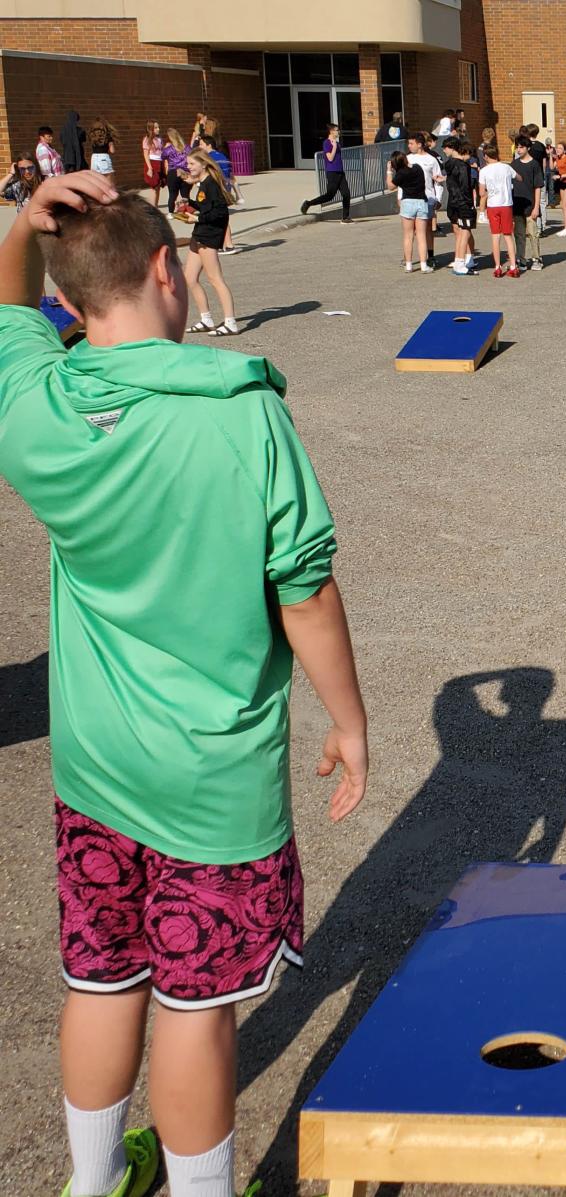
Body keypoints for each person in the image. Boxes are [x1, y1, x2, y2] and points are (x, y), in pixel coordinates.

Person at [0, 168, 368, 1197]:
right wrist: (348, 720)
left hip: (96, 768)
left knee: (101, 982)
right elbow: (305, 593)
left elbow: (3, 313)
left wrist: (21, 223)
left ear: (68, 302)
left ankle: (88, 1182)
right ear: (169, 269)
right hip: (213, 782)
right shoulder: (242, 415)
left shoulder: (37, 404)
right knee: (195, 1013)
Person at [183, 149, 239, 336]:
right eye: (188, 164)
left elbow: (220, 213)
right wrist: (189, 205)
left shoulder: (211, 184)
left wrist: (197, 219)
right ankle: (206, 319)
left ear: (204, 164)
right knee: (190, 278)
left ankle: (230, 322)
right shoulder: (203, 184)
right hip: (199, 233)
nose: (188, 168)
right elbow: (207, 207)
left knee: (215, 279)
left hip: (208, 235)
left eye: (191, 164)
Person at [386, 149, 433, 273]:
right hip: (421, 202)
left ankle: (408, 265)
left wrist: (389, 171)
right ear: (405, 159)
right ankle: (424, 265)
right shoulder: (417, 168)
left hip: (407, 203)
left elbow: (390, 186)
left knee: (408, 236)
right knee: (421, 235)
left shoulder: (400, 174)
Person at [478, 145, 520, 278]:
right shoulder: (506, 167)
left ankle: (497, 267)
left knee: (495, 236)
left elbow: (481, 192)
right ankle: (513, 266)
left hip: (492, 205)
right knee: (508, 235)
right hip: (506, 204)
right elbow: (519, 177)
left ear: (485, 156)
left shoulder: (484, 171)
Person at [300, 124, 352, 223]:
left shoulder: (337, 143)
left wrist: (336, 145)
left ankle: (345, 217)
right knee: (329, 195)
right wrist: (334, 146)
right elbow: (330, 158)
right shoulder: (327, 143)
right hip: (332, 172)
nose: (338, 132)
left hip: (340, 172)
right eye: (337, 130)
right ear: (331, 132)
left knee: (346, 194)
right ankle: (308, 203)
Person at [406, 133, 443, 265]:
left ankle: (430, 255)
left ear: (420, 144)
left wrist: (438, 198)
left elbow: (438, 181)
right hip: (410, 198)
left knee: (427, 228)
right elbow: (402, 179)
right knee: (409, 230)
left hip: (428, 197)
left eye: (411, 143)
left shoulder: (431, 160)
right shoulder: (407, 158)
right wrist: (400, 197)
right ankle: (408, 258)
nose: (409, 146)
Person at [442, 138, 478, 275]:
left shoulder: (449, 164)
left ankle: (458, 261)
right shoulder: (463, 166)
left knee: (459, 233)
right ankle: (461, 264)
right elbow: (465, 187)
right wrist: (470, 204)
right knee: (465, 232)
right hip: (463, 202)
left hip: (453, 202)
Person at [510, 135, 544, 271]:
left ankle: (536, 258)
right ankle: (521, 259)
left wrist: (536, 207)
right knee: (519, 234)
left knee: (532, 233)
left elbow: (537, 187)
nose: (519, 150)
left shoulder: (534, 164)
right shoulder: (514, 164)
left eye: (521, 147)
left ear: (528, 148)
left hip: (530, 205)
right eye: (517, 147)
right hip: (517, 205)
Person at [162, 128, 192, 216]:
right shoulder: (187, 147)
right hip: (186, 172)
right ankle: (186, 211)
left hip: (173, 172)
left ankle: (170, 213)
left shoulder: (169, 149)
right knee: (185, 194)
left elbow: (162, 156)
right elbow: (192, 155)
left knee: (172, 194)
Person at [525, 123, 549, 228]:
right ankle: (542, 225)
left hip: (529, 177)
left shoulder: (527, 146)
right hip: (540, 176)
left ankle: (533, 225)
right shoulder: (541, 146)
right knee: (542, 201)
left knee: (532, 200)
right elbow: (544, 164)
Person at [88, 117, 117, 187]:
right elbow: (112, 151)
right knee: (110, 182)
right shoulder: (107, 136)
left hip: (94, 158)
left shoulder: (92, 136)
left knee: (96, 181)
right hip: (104, 157)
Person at [142, 120, 164, 207]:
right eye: (156, 128)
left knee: (158, 187)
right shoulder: (147, 139)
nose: (158, 129)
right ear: (151, 129)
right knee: (154, 187)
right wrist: (150, 168)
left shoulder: (159, 139)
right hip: (152, 163)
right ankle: (152, 207)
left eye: (158, 127)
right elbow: (145, 154)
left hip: (160, 163)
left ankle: (156, 206)